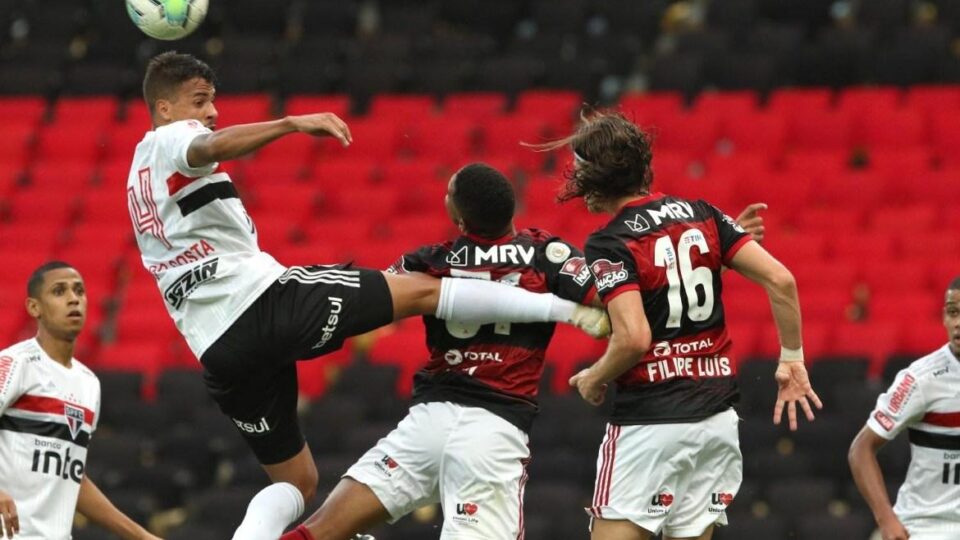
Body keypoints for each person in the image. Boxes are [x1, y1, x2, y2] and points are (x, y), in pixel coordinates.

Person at [127, 51, 610, 537]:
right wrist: (293, 122)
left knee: (298, 481)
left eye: (213, 101)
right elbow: (210, 145)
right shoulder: (173, 138)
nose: (212, 111)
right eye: (200, 101)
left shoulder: (136, 175)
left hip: (218, 349)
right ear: (164, 108)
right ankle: (565, 312)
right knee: (427, 293)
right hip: (262, 303)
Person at [237, 163, 769, 540]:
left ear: (456, 212)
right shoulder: (549, 253)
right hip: (494, 434)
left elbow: (377, 308)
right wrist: (711, 255)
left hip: (427, 423)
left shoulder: (430, 259)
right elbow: (617, 305)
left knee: (320, 530)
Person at [541, 111, 822, 540]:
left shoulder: (609, 241)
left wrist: (595, 377)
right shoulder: (704, 214)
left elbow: (634, 338)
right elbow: (781, 279)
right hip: (716, 421)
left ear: (596, 177)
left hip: (649, 426)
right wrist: (792, 358)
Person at [0, 262, 160, 540]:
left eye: (79, 291)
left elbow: (73, 478)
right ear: (34, 307)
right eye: (59, 291)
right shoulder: (15, 363)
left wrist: (141, 536)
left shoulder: (88, 384)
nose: (73, 298)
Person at [849, 277, 960, 540]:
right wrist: (886, 520)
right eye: (953, 312)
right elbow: (860, 449)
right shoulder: (920, 379)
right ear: (944, 317)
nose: (958, 323)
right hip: (926, 528)